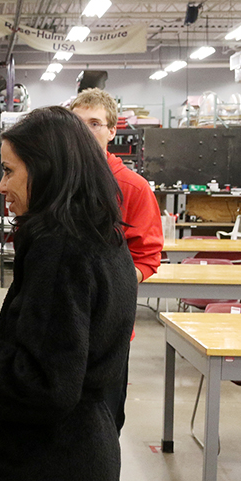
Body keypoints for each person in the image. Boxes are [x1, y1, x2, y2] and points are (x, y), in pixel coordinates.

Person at [0, 106, 137, 481]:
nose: (1, 186)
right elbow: (81, 341)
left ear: (46, 170)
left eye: (10, 171)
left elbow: (48, 385)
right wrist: (16, 329)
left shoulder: (59, 250)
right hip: (83, 462)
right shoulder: (99, 234)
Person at [70, 88, 163, 431]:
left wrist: (109, 284)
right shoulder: (56, 181)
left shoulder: (133, 188)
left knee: (102, 421)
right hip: (61, 321)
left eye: (95, 123)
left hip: (107, 328)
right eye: (78, 123)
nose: (85, 131)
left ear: (112, 131)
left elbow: (148, 257)